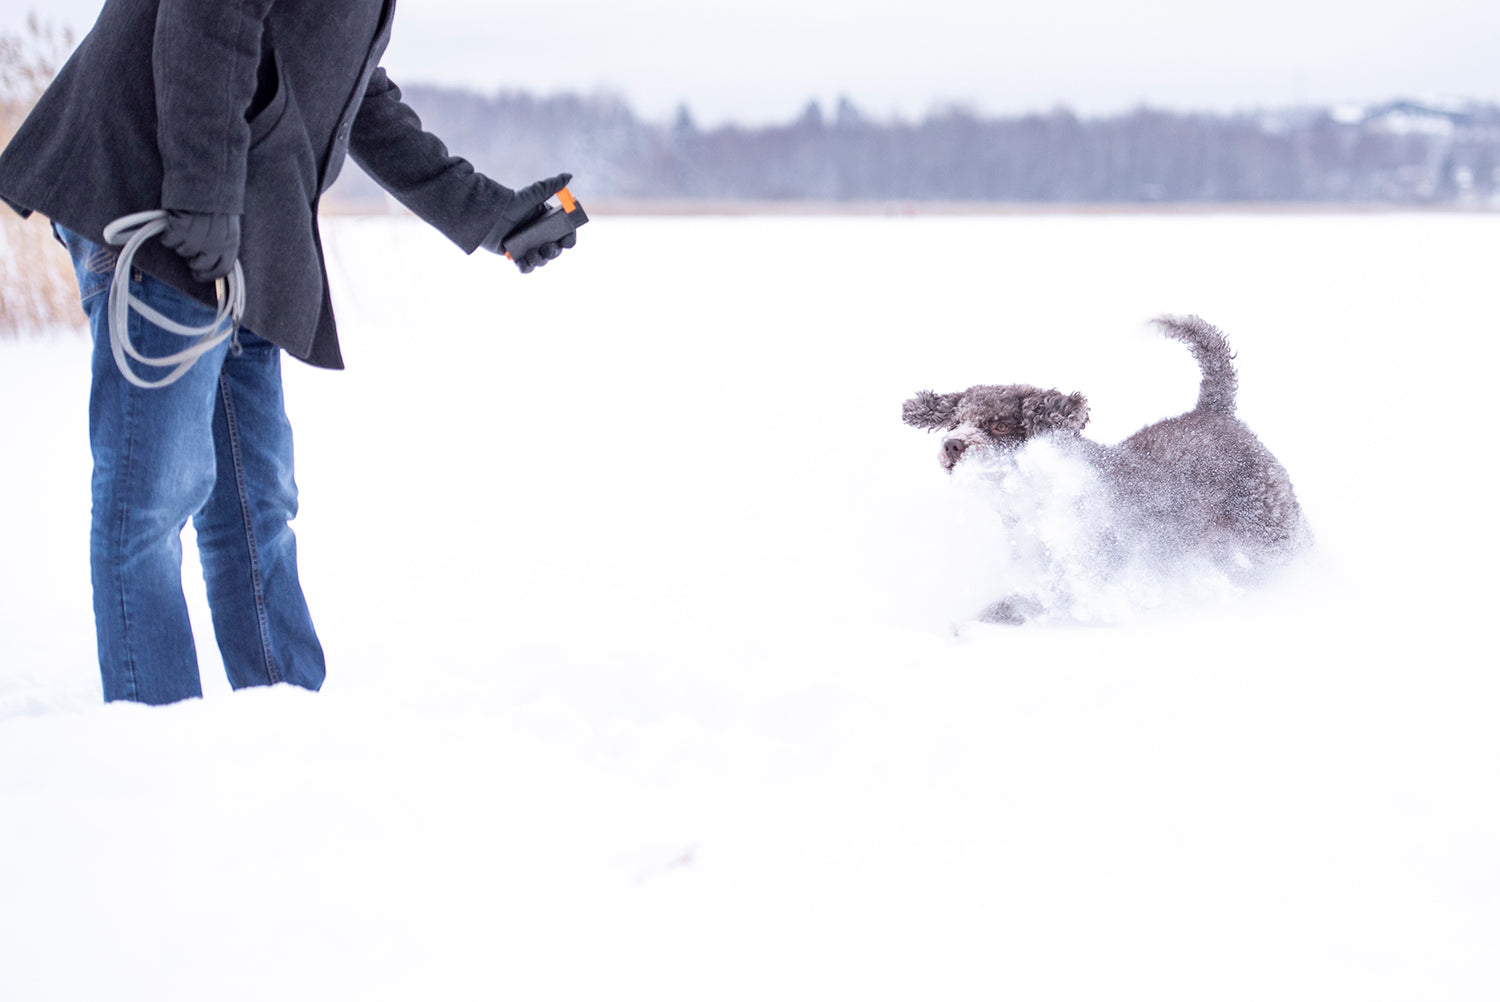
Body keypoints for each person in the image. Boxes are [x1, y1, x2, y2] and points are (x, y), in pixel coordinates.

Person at [0, 0, 577, 705]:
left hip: (238, 217)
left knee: (255, 502)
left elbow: (352, 88)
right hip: (157, 192)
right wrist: (202, 201)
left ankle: (282, 729)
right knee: (151, 499)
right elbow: (206, 17)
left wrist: (485, 212)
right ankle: (152, 747)